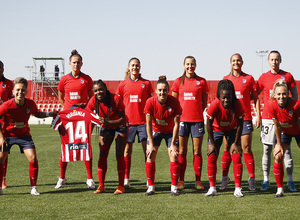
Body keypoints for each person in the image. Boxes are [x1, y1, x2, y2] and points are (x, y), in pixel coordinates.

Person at [0, 77, 57, 195]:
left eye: (23, 90)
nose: (20, 92)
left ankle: (33, 187)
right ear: (13, 92)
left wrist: (49, 114)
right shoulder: (6, 105)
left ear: (26, 91)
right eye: (18, 90)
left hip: (24, 136)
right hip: (7, 136)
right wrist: (1, 138)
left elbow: (37, 113)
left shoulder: (30, 103)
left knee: (33, 158)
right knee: (0, 159)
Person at [257, 50, 298, 192]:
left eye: (276, 59)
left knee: (286, 151)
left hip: (284, 118)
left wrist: (290, 114)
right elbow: (255, 96)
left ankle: (290, 181)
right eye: (272, 59)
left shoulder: (288, 76)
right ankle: (266, 180)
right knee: (267, 149)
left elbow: (295, 96)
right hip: (268, 119)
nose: (274, 62)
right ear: (268, 61)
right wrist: (258, 115)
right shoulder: (263, 77)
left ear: (280, 60)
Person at [220, 53, 260, 191]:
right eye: (233, 61)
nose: (236, 63)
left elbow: (256, 98)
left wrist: (258, 115)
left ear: (242, 62)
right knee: (227, 148)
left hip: (246, 118)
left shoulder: (248, 78)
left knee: (246, 148)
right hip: (230, 120)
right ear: (230, 63)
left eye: (238, 60)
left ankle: (252, 178)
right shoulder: (226, 79)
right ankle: (225, 178)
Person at [56, 49, 94, 189]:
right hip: (68, 120)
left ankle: (89, 178)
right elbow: (61, 97)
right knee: (65, 147)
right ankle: (62, 177)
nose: (76, 65)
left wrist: (86, 108)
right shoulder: (64, 79)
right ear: (69, 64)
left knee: (85, 146)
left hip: (82, 119)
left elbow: (92, 97)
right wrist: (66, 111)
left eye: (78, 62)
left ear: (82, 64)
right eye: (74, 62)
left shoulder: (87, 79)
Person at [171, 56, 208, 190]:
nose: (190, 66)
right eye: (187, 64)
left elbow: (204, 102)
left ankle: (198, 181)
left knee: (197, 151)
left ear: (195, 65)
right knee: (182, 151)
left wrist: (196, 112)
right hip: (182, 121)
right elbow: (174, 103)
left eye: (192, 64)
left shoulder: (202, 82)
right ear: (183, 65)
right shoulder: (177, 82)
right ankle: (181, 180)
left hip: (197, 121)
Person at [117, 57, 153, 188]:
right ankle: (126, 179)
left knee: (147, 151)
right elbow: (118, 104)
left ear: (140, 67)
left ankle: (149, 180)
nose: (135, 67)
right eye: (133, 65)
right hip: (128, 123)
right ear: (129, 67)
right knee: (127, 151)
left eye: (137, 65)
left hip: (144, 123)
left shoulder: (147, 84)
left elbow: (151, 103)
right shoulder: (122, 84)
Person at [87, 80, 127, 195]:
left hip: (120, 126)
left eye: (100, 89)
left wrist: (108, 121)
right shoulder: (93, 101)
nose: (98, 92)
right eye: (95, 90)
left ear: (105, 90)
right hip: (107, 126)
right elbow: (88, 117)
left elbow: (123, 119)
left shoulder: (116, 99)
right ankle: (101, 186)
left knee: (119, 155)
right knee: (102, 154)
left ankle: (121, 186)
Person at [205, 79, 244, 197]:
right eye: (223, 97)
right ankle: (212, 188)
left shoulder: (237, 104)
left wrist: (236, 142)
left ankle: (238, 188)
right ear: (219, 96)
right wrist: (211, 143)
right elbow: (208, 123)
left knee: (236, 155)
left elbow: (240, 124)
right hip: (216, 130)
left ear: (232, 96)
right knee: (212, 155)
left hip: (232, 130)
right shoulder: (215, 104)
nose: (226, 100)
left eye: (228, 97)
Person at [144, 76, 182, 196]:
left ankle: (174, 188)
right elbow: (148, 124)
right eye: (160, 90)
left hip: (171, 132)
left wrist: (173, 143)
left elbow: (177, 124)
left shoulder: (174, 102)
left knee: (174, 155)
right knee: (150, 155)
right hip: (156, 131)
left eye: (164, 90)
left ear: (168, 90)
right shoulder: (150, 102)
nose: (162, 92)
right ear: (156, 91)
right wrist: (150, 144)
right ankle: (151, 187)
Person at [269, 80, 300, 197]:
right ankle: (280, 189)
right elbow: (277, 125)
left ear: (288, 94)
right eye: (279, 94)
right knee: (277, 155)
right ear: (275, 95)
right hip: (285, 133)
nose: (281, 96)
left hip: (298, 131)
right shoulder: (272, 106)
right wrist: (278, 144)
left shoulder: (296, 105)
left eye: (284, 94)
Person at [0, 60, 13, 189]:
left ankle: (3, 179)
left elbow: (11, 101)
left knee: (4, 151)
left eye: (1, 68)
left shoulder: (8, 84)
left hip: (3, 121)